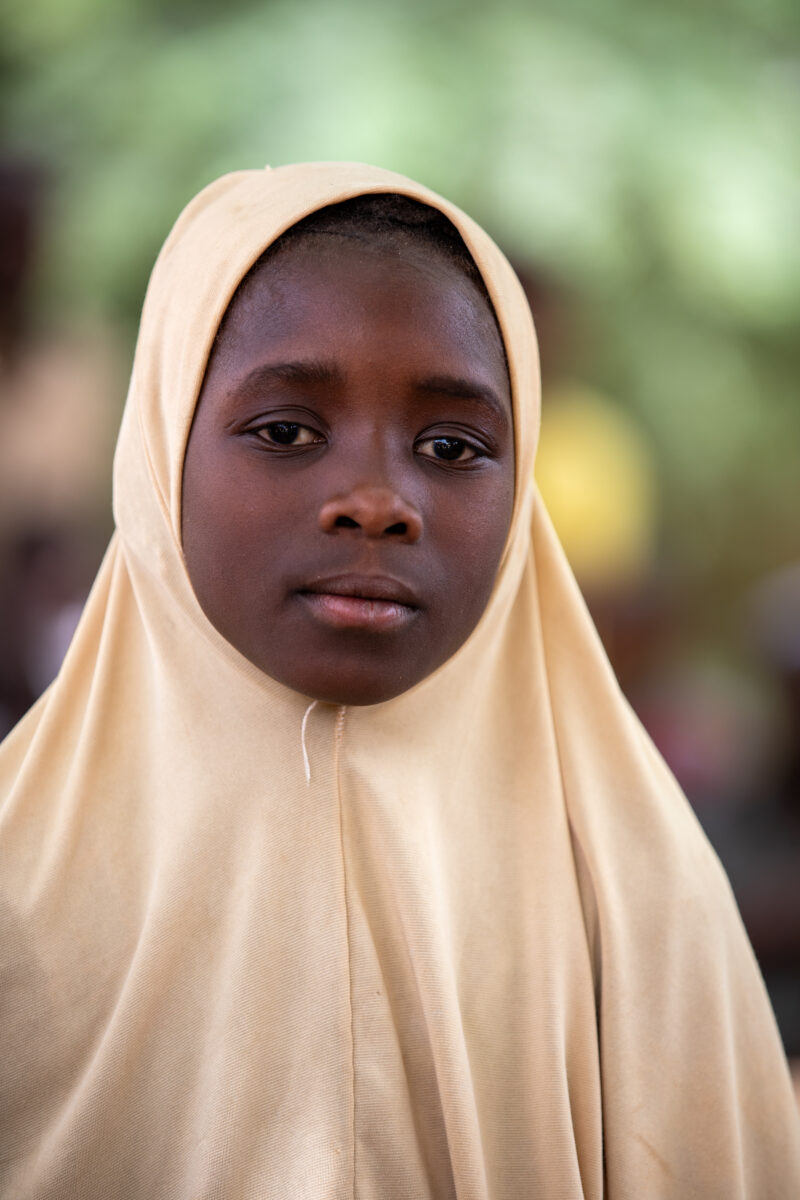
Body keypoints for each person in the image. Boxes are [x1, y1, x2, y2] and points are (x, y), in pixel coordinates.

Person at [1, 162, 798, 1199]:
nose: (377, 500)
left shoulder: (632, 901)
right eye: (285, 431)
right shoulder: (21, 882)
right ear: (158, 460)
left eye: (451, 445)